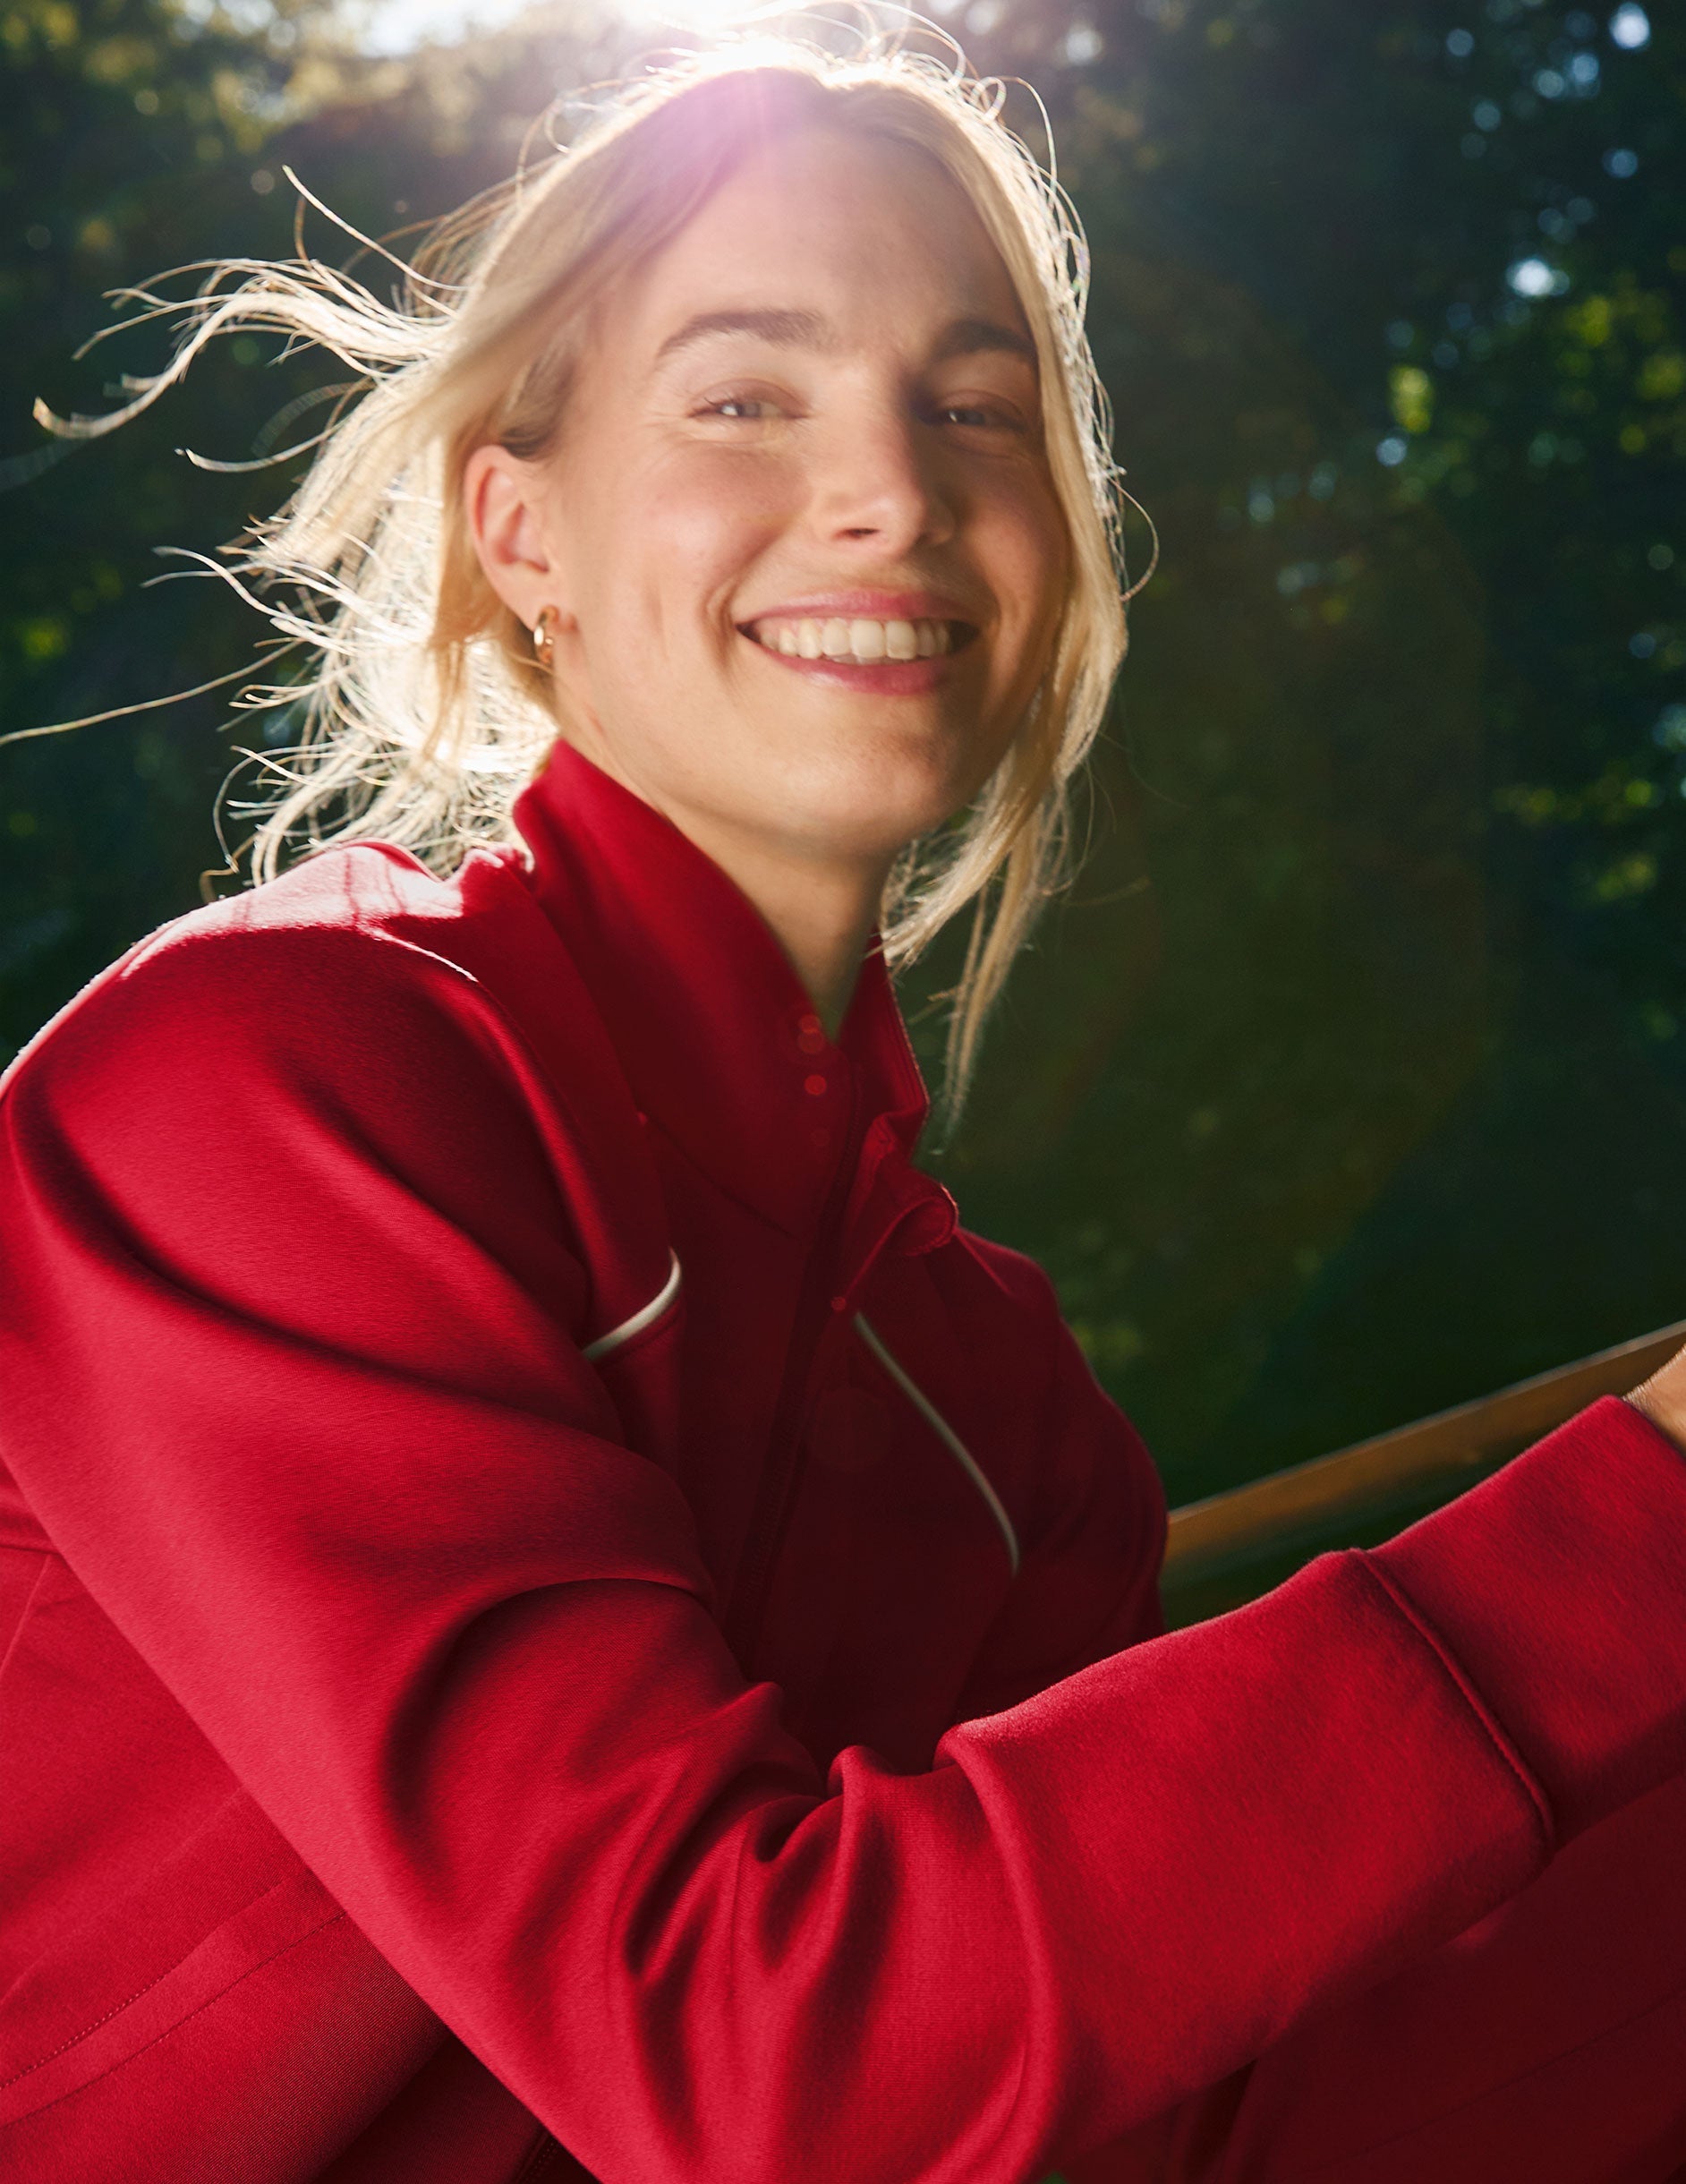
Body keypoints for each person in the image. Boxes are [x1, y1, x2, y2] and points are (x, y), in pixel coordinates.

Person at [4, 27, 1686, 2184]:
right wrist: (1640, 1513)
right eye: (744, 396)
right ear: (521, 530)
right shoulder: (265, 1096)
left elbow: (1164, 2120)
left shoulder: (1009, 1415)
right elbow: (751, 2057)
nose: (893, 483)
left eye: (973, 406)